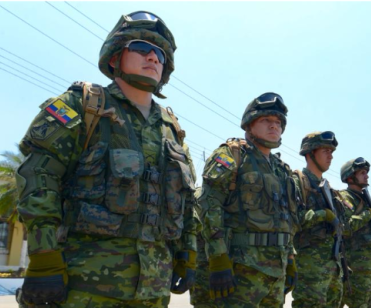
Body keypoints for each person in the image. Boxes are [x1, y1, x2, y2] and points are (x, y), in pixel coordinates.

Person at [15, 11, 200, 307]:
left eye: (160, 55)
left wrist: (187, 253)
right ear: (115, 57)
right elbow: (38, 176)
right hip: (83, 286)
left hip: (154, 288)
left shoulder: (172, 130)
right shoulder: (83, 105)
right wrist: (44, 256)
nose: (153, 58)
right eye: (142, 48)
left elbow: (188, 201)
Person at [197, 93, 299, 307]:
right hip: (240, 269)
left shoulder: (281, 170)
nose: (274, 126)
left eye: (278, 122)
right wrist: (217, 258)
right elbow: (209, 206)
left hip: (276, 273)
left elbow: (286, 218)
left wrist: (290, 258)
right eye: (266, 120)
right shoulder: (232, 155)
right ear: (249, 125)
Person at [291, 131, 345, 308]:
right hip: (310, 266)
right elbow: (293, 219)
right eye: (325, 151)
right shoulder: (297, 181)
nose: (330, 156)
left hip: (332, 265)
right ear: (310, 153)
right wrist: (324, 215)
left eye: (332, 152)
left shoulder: (329, 189)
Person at [338, 157, 371, 308]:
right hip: (357, 265)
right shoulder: (343, 197)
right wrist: (369, 214)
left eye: (366, 172)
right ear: (350, 176)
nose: (366, 175)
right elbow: (345, 228)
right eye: (361, 172)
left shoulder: (366, 201)